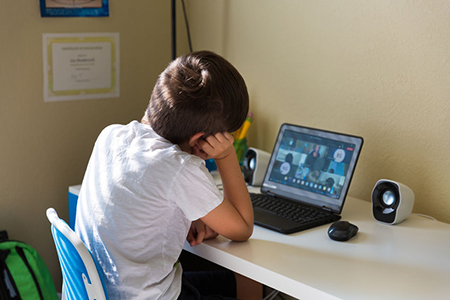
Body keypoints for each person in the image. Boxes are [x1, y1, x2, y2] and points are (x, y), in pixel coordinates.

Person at [75, 51, 262, 299]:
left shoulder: (110, 135)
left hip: (105, 292)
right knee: (250, 281)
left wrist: (186, 214)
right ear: (200, 140)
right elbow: (242, 229)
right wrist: (226, 156)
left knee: (230, 282)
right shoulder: (179, 167)